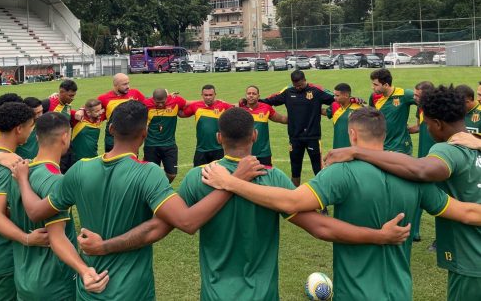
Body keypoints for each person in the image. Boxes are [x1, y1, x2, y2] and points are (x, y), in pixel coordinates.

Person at [78, 107, 410, 301]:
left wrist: (106, 245)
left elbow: (161, 226)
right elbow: (320, 226)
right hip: (262, 294)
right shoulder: (274, 178)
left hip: (215, 294)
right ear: (254, 136)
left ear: (218, 138)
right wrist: (376, 235)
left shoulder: (199, 178)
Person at [202, 106, 481, 301]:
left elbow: (292, 201)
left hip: (355, 292)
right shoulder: (416, 179)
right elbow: (467, 213)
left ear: (352, 135)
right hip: (400, 291)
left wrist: (232, 183)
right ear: (383, 135)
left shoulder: (341, 172)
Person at [11, 101, 260, 301]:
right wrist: (232, 182)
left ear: (110, 130)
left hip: (89, 287)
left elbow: (35, 212)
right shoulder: (148, 172)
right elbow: (186, 222)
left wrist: (23, 179)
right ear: (144, 133)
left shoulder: (79, 170)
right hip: (132, 290)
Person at [324, 86, 481, 301]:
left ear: (437, 123)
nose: (427, 130)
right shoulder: (476, 142)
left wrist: (356, 151)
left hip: (472, 258)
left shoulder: (448, 149)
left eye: (426, 124)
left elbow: (421, 170)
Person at [8, 112, 107, 300]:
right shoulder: (55, 181)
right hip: (53, 282)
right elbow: (57, 237)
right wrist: (84, 270)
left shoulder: (19, 172)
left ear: (37, 137)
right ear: (65, 137)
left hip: (24, 278)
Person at [0, 102, 46, 301]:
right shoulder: (9, 167)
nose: (32, 132)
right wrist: (27, 238)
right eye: (30, 127)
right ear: (19, 129)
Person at [260, 70, 336, 186]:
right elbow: (269, 101)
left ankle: (322, 198)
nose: (298, 88)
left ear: (305, 80)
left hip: (313, 137)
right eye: (296, 86)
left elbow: (336, 100)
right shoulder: (288, 92)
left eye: (300, 85)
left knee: (318, 169)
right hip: (295, 137)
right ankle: (294, 195)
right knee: (295, 169)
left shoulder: (316, 91)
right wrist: (253, 101)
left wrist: (327, 112)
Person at [407, 81, 435, 244]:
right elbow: (420, 126)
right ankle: (414, 232)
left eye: (418, 95)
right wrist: (407, 130)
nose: (415, 97)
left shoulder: (439, 110)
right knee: (418, 195)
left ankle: (441, 239)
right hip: (422, 159)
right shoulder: (420, 108)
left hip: (438, 159)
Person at [179, 84, 233, 166]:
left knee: (219, 176)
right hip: (201, 149)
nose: (208, 97)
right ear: (202, 95)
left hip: (219, 149)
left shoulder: (223, 105)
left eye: (210, 95)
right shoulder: (196, 106)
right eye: (206, 95)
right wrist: (172, 102)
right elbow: (182, 114)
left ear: (215, 95)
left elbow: (237, 112)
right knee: (198, 176)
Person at [143, 88, 188, 182]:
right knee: (150, 175)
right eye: (157, 102)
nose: (160, 104)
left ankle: (162, 187)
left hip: (169, 145)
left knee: (172, 174)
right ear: (153, 99)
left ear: (166, 98)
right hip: (151, 146)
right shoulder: (146, 104)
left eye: (162, 102)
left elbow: (189, 104)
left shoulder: (176, 101)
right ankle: (156, 192)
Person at [368, 68, 415, 154]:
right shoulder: (374, 97)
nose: (372, 87)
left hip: (400, 147)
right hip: (380, 147)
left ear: (386, 85)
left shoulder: (404, 94)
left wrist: (420, 126)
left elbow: (426, 102)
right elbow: (371, 117)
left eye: (375, 85)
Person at [239, 85, 287, 165]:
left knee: (265, 176)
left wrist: (297, 119)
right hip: (245, 153)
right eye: (249, 93)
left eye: (254, 94)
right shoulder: (240, 110)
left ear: (258, 96)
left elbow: (281, 119)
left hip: (264, 153)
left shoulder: (266, 108)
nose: (251, 95)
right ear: (246, 96)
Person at [97, 73, 145, 152]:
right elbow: (90, 108)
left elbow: (149, 103)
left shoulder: (135, 93)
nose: (128, 86)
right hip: (113, 139)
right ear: (116, 85)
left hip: (131, 138)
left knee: (131, 162)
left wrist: (167, 96)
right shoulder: (104, 98)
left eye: (128, 83)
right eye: (124, 84)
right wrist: (81, 110)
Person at [323, 83, 361, 149]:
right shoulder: (334, 105)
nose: (334, 98)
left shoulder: (359, 108)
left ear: (346, 95)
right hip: (337, 147)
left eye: (337, 95)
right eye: (334, 95)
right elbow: (325, 112)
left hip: (354, 148)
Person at [71, 99, 105, 163]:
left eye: (101, 109)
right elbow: (60, 109)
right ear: (88, 112)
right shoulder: (77, 117)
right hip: (76, 160)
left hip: (93, 158)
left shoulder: (99, 117)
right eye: (97, 111)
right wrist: (55, 97)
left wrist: (81, 108)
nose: (100, 112)